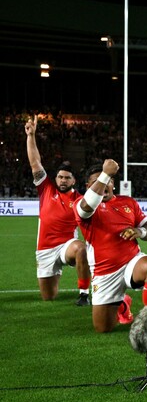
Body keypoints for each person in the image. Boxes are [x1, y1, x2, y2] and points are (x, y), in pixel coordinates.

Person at [75, 160, 147, 333]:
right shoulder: (82, 205)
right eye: (96, 182)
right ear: (88, 187)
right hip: (104, 272)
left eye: (108, 181)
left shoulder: (128, 202)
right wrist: (105, 173)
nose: (103, 185)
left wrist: (140, 232)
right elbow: (87, 206)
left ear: (113, 184)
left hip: (132, 261)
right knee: (103, 328)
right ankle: (123, 304)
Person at [25, 115, 91, 304]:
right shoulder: (46, 188)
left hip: (66, 246)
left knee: (80, 248)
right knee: (49, 298)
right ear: (56, 178)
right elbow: (35, 163)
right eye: (60, 177)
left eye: (67, 177)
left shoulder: (80, 200)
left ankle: (84, 293)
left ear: (73, 180)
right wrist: (31, 136)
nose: (63, 180)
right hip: (44, 250)